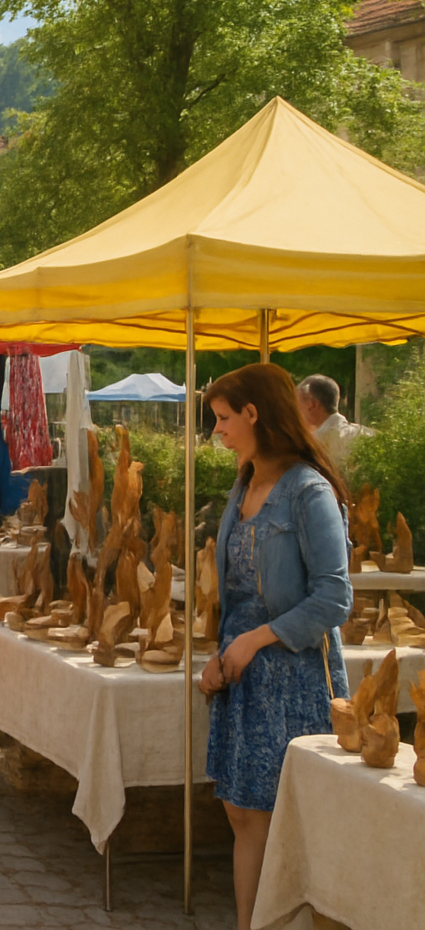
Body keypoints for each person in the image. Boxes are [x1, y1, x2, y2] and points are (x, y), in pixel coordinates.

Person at [198, 364, 351, 930]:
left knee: (287, 821)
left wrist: (255, 641)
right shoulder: (244, 484)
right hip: (244, 676)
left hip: (295, 681)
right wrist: (220, 655)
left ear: (254, 414)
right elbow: (238, 595)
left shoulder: (309, 491)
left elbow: (335, 598)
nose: (216, 431)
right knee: (242, 814)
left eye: (221, 418)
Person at [295, 374, 372, 468]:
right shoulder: (367, 435)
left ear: (311, 404)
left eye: (296, 404)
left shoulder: (313, 448)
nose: (295, 410)